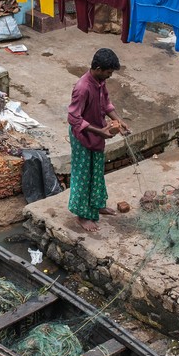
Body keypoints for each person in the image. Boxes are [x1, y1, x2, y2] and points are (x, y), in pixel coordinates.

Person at [67, 48, 130, 233]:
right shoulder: (82, 88)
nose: (110, 76)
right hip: (83, 136)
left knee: (96, 171)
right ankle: (81, 215)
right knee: (82, 175)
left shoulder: (100, 83)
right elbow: (74, 118)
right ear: (99, 68)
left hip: (97, 133)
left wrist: (119, 121)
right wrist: (100, 132)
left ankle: (97, 204)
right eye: (109, 73)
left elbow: (106, 104)